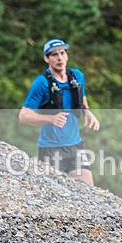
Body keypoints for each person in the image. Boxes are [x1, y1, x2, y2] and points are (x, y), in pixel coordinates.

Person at [19, 38, 100, 185]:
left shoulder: (77, 76)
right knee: (55, 199)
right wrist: (51, 119)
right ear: (46, 59)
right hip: (51, 149)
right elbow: (24, 116)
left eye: (62, 53)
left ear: (67, 55)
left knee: (88, 193)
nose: (59, 58)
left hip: (76, 146)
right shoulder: (41, 83)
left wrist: (87, 111)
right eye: (54, 55)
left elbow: (81, 97)